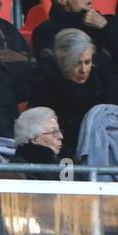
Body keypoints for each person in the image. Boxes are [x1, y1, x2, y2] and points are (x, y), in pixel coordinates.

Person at [30, 29, 118, 161]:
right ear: (62, 60)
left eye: (87, 62)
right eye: (76, 63)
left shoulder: (103, 83)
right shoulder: (45, 87)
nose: (83, 70)